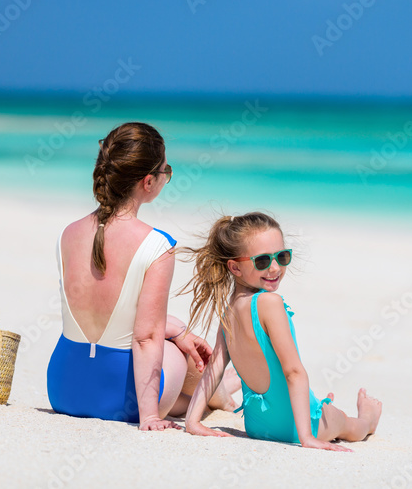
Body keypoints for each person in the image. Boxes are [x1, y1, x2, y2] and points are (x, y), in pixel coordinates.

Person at [46, 121, 239, 431]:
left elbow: (113, 314)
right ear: (149, 182)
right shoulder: (156, 245)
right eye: (167, 171)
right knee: (180, 352)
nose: (167, 177)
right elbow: (146, 337)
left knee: (175, 336)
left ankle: (211, 396)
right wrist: (149, 416)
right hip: (122, 401)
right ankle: (218, 395)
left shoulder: (67, 234)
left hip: (64, 390)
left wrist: (176, 330)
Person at [181, 212, 382, 450]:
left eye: (282, 256)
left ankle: (321, 406)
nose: (275, 268)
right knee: (347, 424)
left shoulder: (229, 311)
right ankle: (368, 419)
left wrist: (192, 421)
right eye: (263, 261)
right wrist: (307, 437)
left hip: (257, 426)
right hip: (298, 427)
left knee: (324, 408)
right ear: (234, 267)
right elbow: (293, 372)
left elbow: (214, 367)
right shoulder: (270, 303)